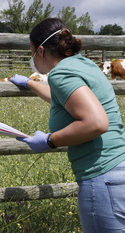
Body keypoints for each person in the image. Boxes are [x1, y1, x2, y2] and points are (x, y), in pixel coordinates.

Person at [9, 18, 125, 232]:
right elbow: (67, 97)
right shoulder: (83, 64)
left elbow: (96, 122)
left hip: (102, 177)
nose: (32, 58)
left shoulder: (61, 73)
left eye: (32, 51)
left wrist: (49, 141)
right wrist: (30, 83)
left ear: (41, 51)